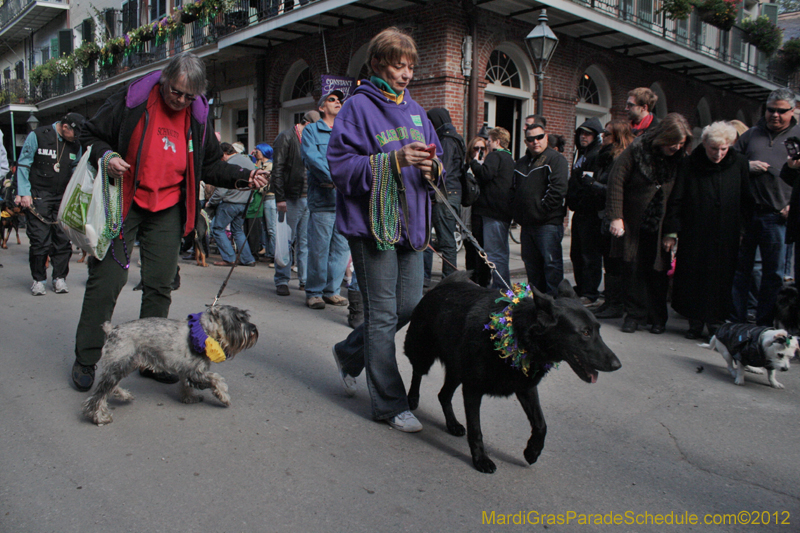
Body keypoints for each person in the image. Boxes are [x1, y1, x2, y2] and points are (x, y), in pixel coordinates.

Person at [71, 52, 269, 392]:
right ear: (165, 80)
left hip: (168, 206)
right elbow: (88, 135)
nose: (179, 100)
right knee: (107, 280)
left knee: (161, 283)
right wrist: (110, 155)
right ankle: (87, 356)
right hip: (126, 200)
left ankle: (152, 359)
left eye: (188, 96)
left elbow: (208, 165)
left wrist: (245, 176)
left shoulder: (198, 116)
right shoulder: (132, 100)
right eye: (175, 92)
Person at [328, 27, 443, 433]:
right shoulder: (357, 107)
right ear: (378, 64)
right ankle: (390, 404)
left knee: (409, 306)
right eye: (399, 65)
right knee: (381, 314)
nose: (406, 73)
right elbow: (340, 168)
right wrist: (392, 161)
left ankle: (348, 353)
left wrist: (434, 166)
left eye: (410, 66)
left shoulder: (415, 108)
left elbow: (435, 156)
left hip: (412, 226)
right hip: (373, 227)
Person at [663, 121, 752, 339]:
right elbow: (678, 197)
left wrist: (743, 229)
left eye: (724, 148)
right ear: (704, 143)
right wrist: (672, 230)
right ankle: (694, 321)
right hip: (695, 231)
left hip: (726, 233)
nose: (719, 154)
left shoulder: (739, 162)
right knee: (694, 275)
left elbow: (746, 198)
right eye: (714, 148)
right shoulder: (690, 163)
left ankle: (715, 321)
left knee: (721, 278)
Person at [607, 113, 692, 334]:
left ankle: (657, 318)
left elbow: (682, 195)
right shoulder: (638, 149)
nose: (676, 147)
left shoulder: (682, 159)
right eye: (673, 142)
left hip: (663, 224)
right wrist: (616, 216)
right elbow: (617, 180)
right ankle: (633, 315)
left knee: (658, 271)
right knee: (633, 268)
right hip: (634, 221)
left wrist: (673, 231)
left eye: (681, 143)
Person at [730, 88, 800, 326]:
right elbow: (730, 162)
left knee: (773, 276)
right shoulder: (751, 135)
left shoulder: (799, 137)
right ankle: (736, 322)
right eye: (771, 110)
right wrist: (746, 166)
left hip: (778, 217)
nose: (776, 115)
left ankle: (764, 326)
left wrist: (793, 205)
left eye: (782, 111)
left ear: (793, 111)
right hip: (748, 214)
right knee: (740, 271)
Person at [15, 113, 84, 296]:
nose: (76, 138)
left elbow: (76, 167)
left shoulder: (75, 143)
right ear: (65, 127)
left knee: (62, 241)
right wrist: (24, 193)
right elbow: (24, 164)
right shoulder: (38, 135)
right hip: (38, 196)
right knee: (40, 241)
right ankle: (39, 280)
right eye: (74, 134)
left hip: (62, 196)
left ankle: (59, 278)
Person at [302, 89, 350, 309]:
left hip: (345, 200)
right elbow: (313, 160)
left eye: (339, 100)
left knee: (341, 249)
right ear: (321, 107)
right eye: (332, 100)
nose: (337, 102)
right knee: (319, 248)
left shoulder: (347, 131)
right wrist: (336, 179)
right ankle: (314, 292)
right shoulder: (312, 130)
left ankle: (332, 291)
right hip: (323, 198)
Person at [511, 121, 569, 296]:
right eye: (530, 139)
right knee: (532, 268)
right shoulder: (520, 163)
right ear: (525, 141)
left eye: (539, 137)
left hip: (547, 225)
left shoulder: (556, 159)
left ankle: (556, 307)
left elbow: (558, 190)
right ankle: (537, 305)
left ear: (546, 136)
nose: (535, 141)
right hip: (527, 225)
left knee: (552, 267)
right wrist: (518, 214)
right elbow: (514, 190)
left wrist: (542, 211)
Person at [271, 110, 319, 296]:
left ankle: (304, 279)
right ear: (305, 123)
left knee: (305, 241)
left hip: (309, 196)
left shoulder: (309, 139)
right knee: (285, 239)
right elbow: (278, 169)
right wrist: (280, 197)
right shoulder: (286, 137)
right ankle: (282, 279)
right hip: (291, 197)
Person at [592, 120, 634, 319]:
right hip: (602, 215)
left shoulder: (621, 159)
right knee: (608, 261)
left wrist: (594, 184)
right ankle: (609, 301)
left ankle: (616, 304)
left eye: (607, 134)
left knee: (615, 261)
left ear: (617, 138)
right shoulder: (605, 156)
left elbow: (616, 189)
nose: (602, 137)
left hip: (615, 217)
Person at [423, 107, 465, 285]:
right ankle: (424, 277)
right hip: (450, 193)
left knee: (445, 241)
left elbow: (441, 170)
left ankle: (448, 282)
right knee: (427, 239)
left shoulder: (446, 140)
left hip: (444, 194)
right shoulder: (456, 138)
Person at [469, 127, 515, 289]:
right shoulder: (510, 159)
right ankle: (502, 285)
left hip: (492, 211)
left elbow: (485, 174)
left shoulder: (496, 156)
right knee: (501, 251)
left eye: (489, 140)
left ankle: (501, 287)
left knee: (495, 253)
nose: (487, 144)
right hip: (504, 212)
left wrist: (474, 162)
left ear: (497, 141)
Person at [566, 117, 604, 304]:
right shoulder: (581, 154)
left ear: (595, 136)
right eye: (581, 133)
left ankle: (590, 293)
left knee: (590, 256)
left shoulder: (595, 155)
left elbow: (588, 186)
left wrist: (579, 199)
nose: (583, 136)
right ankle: (581, 288)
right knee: (577, 253)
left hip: (590, 214)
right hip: (579, 213)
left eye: (588, 133)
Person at [207, 142, 258, 267]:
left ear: (224, 154)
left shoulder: (229, 164)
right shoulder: (248, 161)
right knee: (237, 231)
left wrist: (211, 202)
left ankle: (229, 258)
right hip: (245, 203)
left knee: (217, 229)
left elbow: (221, 190)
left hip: (230, 203)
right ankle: (248, 259)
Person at [463, 135, 491, 286]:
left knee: (482, 250)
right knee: (469, 247)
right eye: (476, 148)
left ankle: (483, 282)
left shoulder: (486, 168)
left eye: (483, 149)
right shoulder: (467, 167)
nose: (479, 151)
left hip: (481, 212)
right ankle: (471, 281)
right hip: (468, 211)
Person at [253, 143, 275, 264]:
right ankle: (269, 251)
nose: (256, 152)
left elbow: (266, 182)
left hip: (269, 197)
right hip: (263, 198)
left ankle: (275, 255)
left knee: (271, 228)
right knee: (265, 228)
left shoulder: (269, 166)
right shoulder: (259, 164)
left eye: (258, 150)